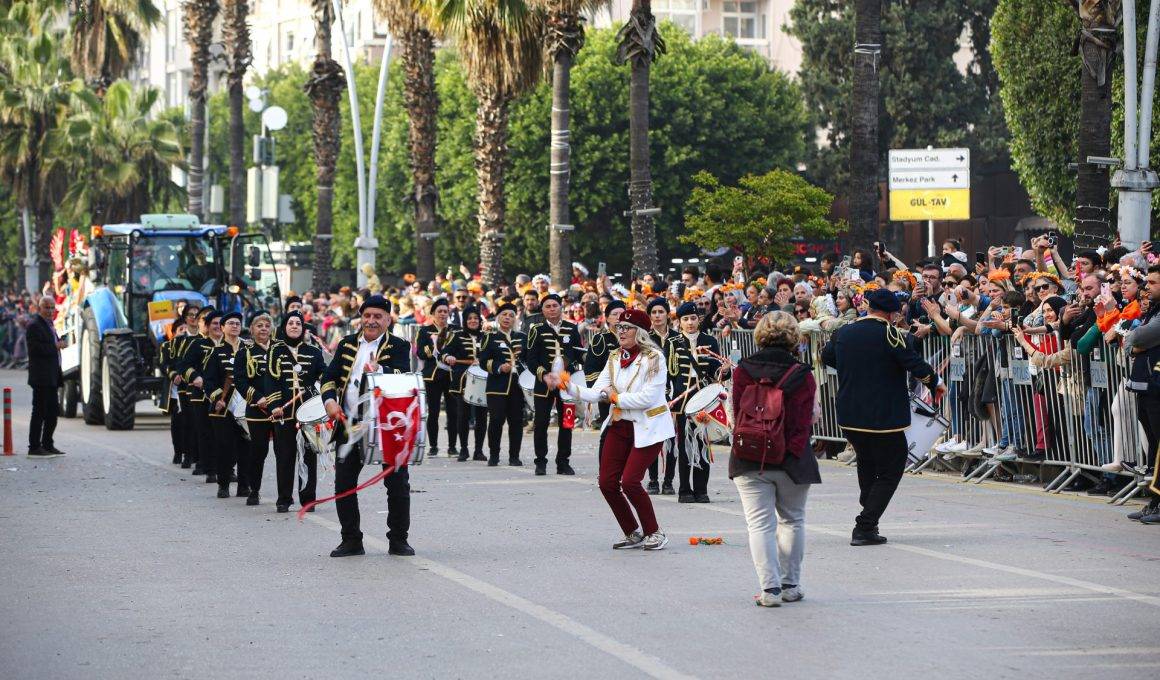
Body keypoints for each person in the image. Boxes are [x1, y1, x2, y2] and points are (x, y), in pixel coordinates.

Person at [821, 289, 943, 546]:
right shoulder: (889, 333)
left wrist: (853, 368)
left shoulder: (844, 331)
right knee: (891, 468)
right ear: (891, 313)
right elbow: (911, 362)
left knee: (866, 462)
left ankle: (870, 514)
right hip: (882, 414)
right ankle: (865, 525)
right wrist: (934, 382)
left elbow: (826, 356)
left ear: (868, 307)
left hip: (850, 412)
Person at [557, 308, 674, 551]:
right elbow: (596, 391)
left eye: (626, 327)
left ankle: (655, 532)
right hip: (620, 425)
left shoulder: (654, 358)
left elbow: (648, 398)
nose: (620, 331)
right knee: (607, 482)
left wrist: (616, 399)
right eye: (619, 327)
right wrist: (567, 386)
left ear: (640, 332)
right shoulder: (614, 358)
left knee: (631, 481)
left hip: (648, 426)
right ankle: (632, 532)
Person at [731, 311, 819, 607]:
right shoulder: (802, 373)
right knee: (793, 520)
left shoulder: (743, 370)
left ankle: (769, 591)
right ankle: (790, 584)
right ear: (794, 336)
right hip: (792, 457)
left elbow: (736, 412)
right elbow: (811, 418)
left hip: (749, 455)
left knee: (759, 525)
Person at [321, 295, 414, 558]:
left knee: (397, 485)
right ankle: (351, 539)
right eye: (367, 315)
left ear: (388, 319)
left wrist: (380, 369)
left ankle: (398, 539)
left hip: (385, 425)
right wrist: (329, 400)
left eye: (378, 316)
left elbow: (404, 376)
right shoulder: (346, 343)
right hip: (350, 423)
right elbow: (329, 377)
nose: (371, 321)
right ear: (361, 317)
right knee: (344, 484)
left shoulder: (399, 345)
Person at [267, 311, 327, 512]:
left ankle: (308, 498)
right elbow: (270, 380)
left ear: (303, 328)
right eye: (290, 323)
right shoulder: (275, 350)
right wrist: (274, 405)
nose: (294, 326)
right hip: (284, 412)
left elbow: (324, 376)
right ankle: (284, 498)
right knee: (285, 456)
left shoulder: (314, 352)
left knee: (309, 456)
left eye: (298, 324)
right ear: (284, 327)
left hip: (308, 413)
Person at [665, 301, 723, 502]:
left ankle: (701, 489)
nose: (690, 323)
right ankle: (684, 489)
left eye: (693, 318)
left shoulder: (709, 340)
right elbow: (668, 374)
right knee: (684, 445)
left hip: (704, 401)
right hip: (682, 402)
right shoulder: (673, 342)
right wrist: (668, 399)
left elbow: (716, 370)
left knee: (702, 443)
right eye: (685, 319)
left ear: (698, 319)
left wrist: (723, 371)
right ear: (679, 322)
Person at [526, 294, 584, 475]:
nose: (552, 309)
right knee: (541, 422)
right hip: (544, 384)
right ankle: (540, 462)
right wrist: (544, 376)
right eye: (548, 306)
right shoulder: (536, 329)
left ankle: (563, 462)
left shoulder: (571, 328)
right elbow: (531, 359)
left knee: (567, 423)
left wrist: (569, 371)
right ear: (542, 310)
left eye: (555, 305)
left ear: (561, 307)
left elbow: (577, 355)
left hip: (566, 384)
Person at [202, 311, 248, 499]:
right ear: (222, 328)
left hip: (246, 404)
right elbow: (209, 380)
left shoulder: (248, 349)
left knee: (246, 447)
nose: (235, 326)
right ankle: (223, 483)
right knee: (224, 447)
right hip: (223, 407)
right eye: (230, 323)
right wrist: (217, 397)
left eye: (237, 323)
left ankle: (244, 485)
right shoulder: (216, 352)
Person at [233, 313, 276, 506]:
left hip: (280, 409)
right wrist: (258, 398)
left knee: (284, 452)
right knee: (258, 451)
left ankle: (284, 495)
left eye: (267, 325)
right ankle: (254, 489)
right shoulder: (245, 352)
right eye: (259, 325)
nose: (264, 329)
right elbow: (240, 380)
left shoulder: (280, 350)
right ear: (252, 329)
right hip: (257, 408)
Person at [477, 303, 527, 466]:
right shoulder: (490, 337)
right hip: (497, 385)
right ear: (498, 317)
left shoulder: (522, 337)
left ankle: (514, 456)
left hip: (517, 386)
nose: (507, 318)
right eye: (504, 314)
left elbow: (528, 360)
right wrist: (499, 367)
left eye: (511, 315)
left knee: (516, 421)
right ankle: (494, 454)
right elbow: (484, 361)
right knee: (496, 420)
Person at [178, 308, 222, 480]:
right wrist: (195, 377)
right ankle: (209, 468)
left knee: (226, 435)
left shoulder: (230, 344)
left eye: (220, 323)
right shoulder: (198, 344)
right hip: (201, 394)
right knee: (205, 432)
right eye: (214, 323)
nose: (218, 327)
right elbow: (184, 366)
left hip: (224, 396)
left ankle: (226, 469)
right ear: (208, 326)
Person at [446, 306, 488, 462]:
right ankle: (463, 449)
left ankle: (479, 450)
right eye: (469, 318)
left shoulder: (486, 336)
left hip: (482, 380)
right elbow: (446, 352)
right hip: (462, 379)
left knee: (482, 416)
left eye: (476, 318)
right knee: (463, 415)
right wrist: (448, 357)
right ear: (465, 321)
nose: (473, 321)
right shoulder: (457, 336)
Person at [416, 298, 458, 457]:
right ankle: (433, 446)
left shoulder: (456, 330)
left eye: (445, 311)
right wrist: (435, 346)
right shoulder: (425, 331)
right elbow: (420, 353)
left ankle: (453, 446)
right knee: (433, 412)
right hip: (432, 376)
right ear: (433, 314)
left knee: (453, 411)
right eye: (439, 311)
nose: (442, 314)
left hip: (452, 374)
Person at [26, 295, 65, 457]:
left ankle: (48, 443)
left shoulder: (50, 325)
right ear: (39, 308)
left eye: (51, 307)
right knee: (39, 412)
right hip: (41, 377)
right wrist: (55, 346)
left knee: (52, 412)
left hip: (52, 376)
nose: (49, 311)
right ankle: (34, 446)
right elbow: (35, 349)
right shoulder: (34, 325)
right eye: (46, 307)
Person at [583, 301, 625, 425]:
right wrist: (601, 391)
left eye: (622, 314)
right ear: (607, 318)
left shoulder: (633, 338)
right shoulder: (601, 338)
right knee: (608, 429)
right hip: (608, 393)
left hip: (628, 393)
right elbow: (591, 368)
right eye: (614, 314)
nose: (618, 317)